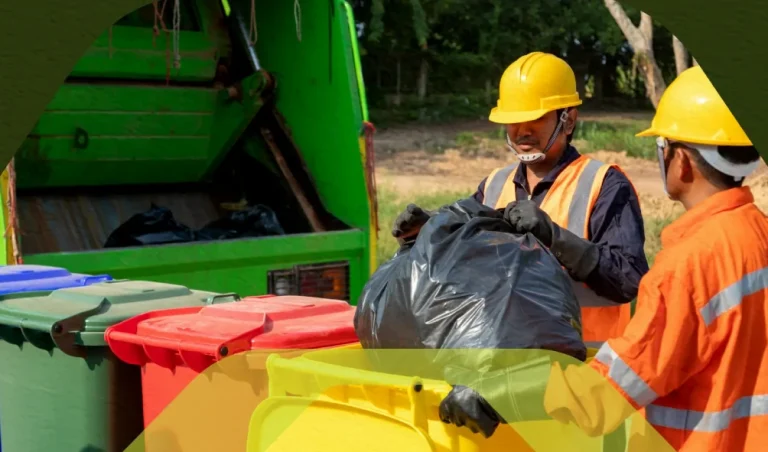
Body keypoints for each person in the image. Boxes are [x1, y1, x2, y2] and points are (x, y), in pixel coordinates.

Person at [443, 65, 768, 452]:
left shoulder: (684, 266)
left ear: (679, 160)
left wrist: (499, 395)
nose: (522, 130)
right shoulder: (757, 233)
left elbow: (607, 391)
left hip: (600, 409)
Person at [393, 51, 649, 348]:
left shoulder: (604, 185)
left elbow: (628, 279)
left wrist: (556, 238)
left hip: (585, 368)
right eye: (513, 119)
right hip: (505, 365)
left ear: (568, 120)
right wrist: (430, 228)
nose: (522, 130)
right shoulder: (493, 186)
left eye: (536, 118)